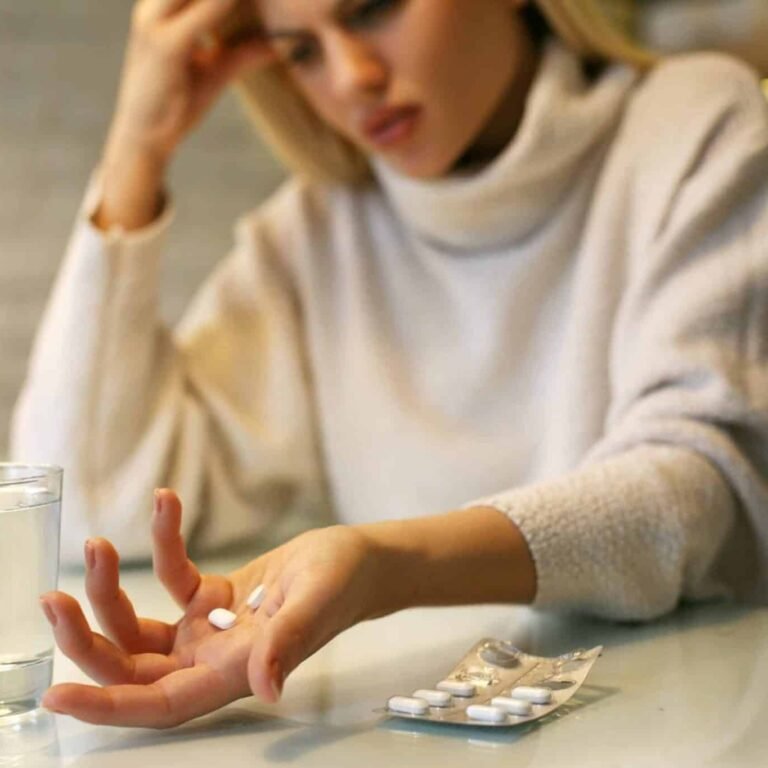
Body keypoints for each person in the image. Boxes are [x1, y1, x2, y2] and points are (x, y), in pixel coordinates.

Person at [11, 0, 768, 728]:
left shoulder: (696, 124)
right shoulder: (318, 234)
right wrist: (135, 149)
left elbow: (702, 492)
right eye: (301, 50)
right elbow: (85, 498)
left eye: (374, 8)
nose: (351, 77)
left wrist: (388, 565)